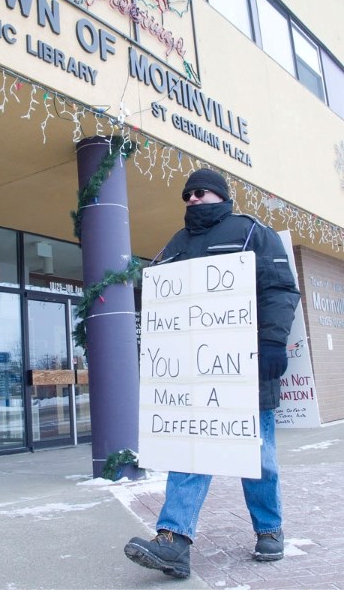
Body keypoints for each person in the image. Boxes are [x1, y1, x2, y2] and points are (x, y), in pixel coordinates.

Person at [124, 168, 301, 579]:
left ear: (219, 195)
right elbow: (159, 298)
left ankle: (269, 529)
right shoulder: (175, 245)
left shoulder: (253, 233)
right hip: (194, 377)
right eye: (186, 195)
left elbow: (280, 289)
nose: (191, 200)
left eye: (199, 192)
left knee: (258, 456)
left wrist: (274, 342)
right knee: (190, 452)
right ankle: (173, 540)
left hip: (247, 368)